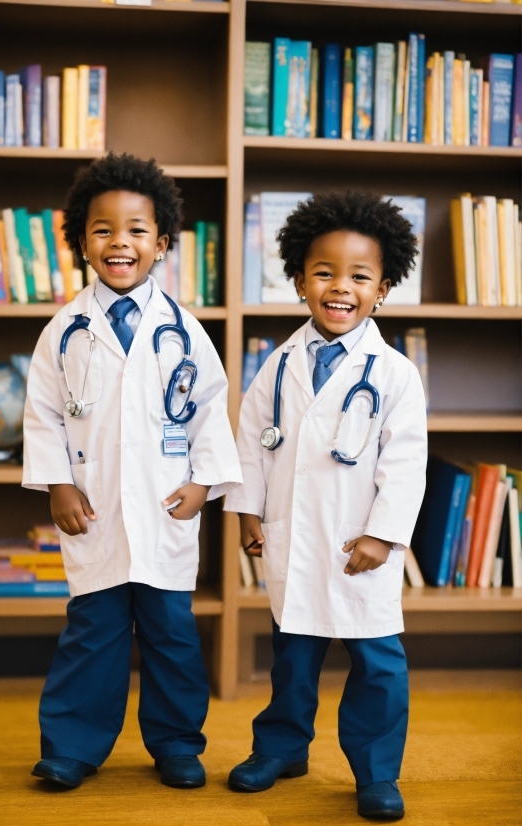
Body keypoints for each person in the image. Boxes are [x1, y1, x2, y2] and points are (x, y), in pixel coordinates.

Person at [23, 152, 242, 791]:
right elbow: (42, 415)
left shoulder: (186, 332)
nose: (120, 242)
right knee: (93, 636)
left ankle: (176, 744)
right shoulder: (63, 332)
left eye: (137, 230)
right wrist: (58, 481)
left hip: (167, 508)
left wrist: (204, 483)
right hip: (92, 511)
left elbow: (209, 413)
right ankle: (73, 746)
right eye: (103, 230)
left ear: (162, 244)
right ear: (80, 243)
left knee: (173, 637)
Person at [224, 191, 427, 820]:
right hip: (296, 540)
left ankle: (375, 774)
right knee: (293, 657)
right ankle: (282, 749)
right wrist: (248, 512)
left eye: (359, 277)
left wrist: (382, 534)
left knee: (377, 667)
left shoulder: (394, 374)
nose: (341, 288)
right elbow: (252, 444)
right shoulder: (277, 367)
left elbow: (405, 464)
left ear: (384, 288)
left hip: (359, 546)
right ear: (298, 281)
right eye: (324, 273)